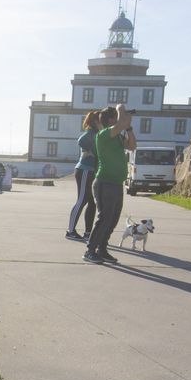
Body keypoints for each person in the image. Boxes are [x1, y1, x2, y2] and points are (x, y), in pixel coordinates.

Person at [84, 104, 136, 264]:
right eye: (119, 117)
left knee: (113, 219)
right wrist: (121, 108)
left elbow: (132, 146)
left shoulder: (118, 136)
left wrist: (129, 128)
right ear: (112, 119)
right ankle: (90, 250)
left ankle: (102, 248)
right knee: (104, 218)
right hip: (104, 183)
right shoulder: (104, 134)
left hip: (116, 183)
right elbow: (120, 123)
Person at [65, 111, 100, 240]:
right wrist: (87, 151)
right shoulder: (90, 134)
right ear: (95, 122)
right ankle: (70, 231)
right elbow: (81, 141)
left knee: (92, 203)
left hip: (92, 171)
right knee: (82, 200)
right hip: (85, 170)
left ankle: (87, 233)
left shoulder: (98, 134)